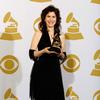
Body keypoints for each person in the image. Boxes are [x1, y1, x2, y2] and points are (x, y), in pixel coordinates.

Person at [29, 5, 66, 100]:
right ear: (44, 18)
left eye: (53, 17)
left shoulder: (61, 36)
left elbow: (63, 56)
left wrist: (60, 54)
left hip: (55, 71)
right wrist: (43, 51)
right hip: (41, 71)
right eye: (48, 16)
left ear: (57, 19)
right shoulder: (39, 33)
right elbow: (32, 53)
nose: (51, 19)